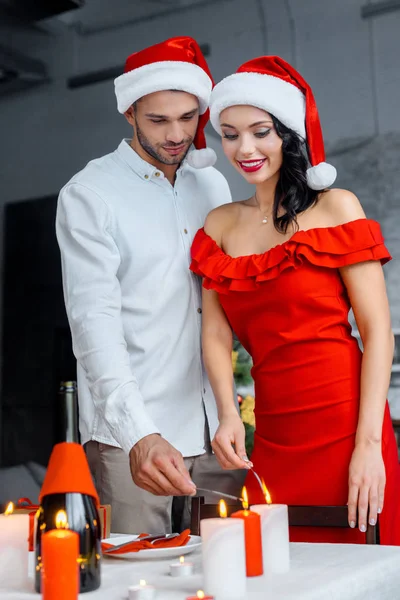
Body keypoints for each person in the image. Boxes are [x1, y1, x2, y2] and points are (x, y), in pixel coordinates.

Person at [190, 55, 400, 544]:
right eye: (230, 133)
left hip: (347, 422)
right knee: (277, 569)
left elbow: (376, 333)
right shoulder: (219, 225)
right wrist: (226, 414)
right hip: (274, 430)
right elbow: (216, 336)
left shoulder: (337, 207)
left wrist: (369, 444)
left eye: (260, 131)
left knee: (358, 565)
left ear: (287, 132)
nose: (244, 148)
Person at [56, 36, 246, 535]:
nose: (176, 134)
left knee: (225, 573)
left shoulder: (212, 185)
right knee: (139, 581)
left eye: (188, 118)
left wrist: (233, 402)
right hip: (134, 441)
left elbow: (221, 303)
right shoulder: (90, 194)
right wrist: (139, 434)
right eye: (159, 120)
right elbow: (93, 324)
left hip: (216, 430)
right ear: (130, 112)